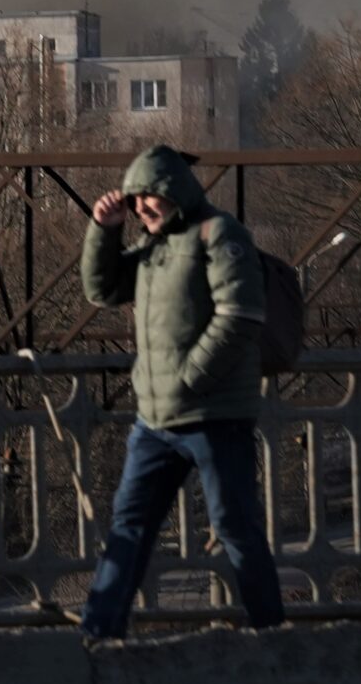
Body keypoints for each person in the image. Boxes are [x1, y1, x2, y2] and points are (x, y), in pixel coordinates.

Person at [77, 143, 285, 639]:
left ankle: (272, 633)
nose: (143, 210)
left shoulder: (219, 235)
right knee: (129, 526)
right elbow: (101, 290)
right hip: (155, 421)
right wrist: (103, 232)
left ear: (176, 193)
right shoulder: (155, 247)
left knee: (235, 528)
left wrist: (190, 379)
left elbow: (241, 316)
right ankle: (98, 635)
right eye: (135, 202)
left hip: (215, 415)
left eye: (151, 199)